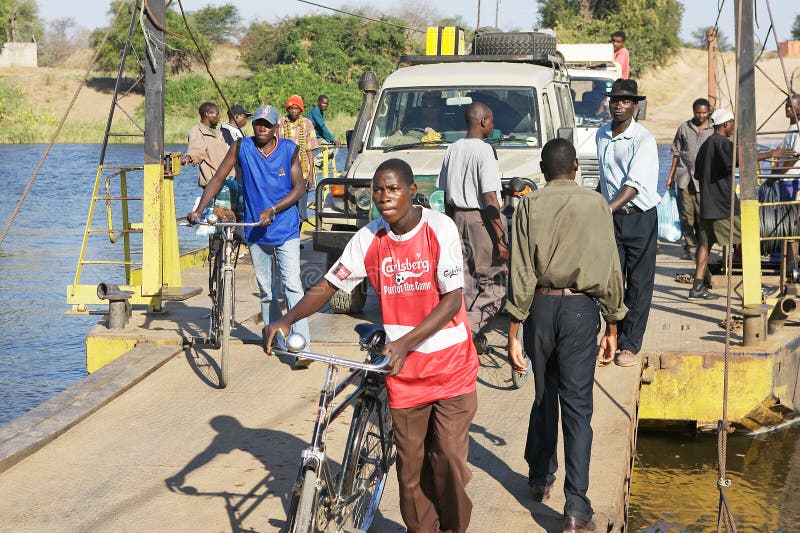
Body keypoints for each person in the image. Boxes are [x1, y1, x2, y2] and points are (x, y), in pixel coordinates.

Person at [263, 158, 479, 533]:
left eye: (393, 188)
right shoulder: (370, 239)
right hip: (402, 372)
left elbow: (453, 301)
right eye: (378, 190)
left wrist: (406, 341)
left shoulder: (438, 229)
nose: (384, 197)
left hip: (449, 367)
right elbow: (329, 285)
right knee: (409, 474)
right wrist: (287, 318)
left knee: (445, 458)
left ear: (412, 191)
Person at [505, 138, 627, 533]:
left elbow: (521, 270)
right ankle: (576, 508)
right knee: (577, 407)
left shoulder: (528, 204)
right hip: (580, 309)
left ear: (542, 169)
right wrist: (612, 324)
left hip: (539, 308)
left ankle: (540, 478)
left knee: (544, 394)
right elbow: (611, 267)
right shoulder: (596, 203)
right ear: (575, 165)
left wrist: (512, 328)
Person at [187, 105, 311, 367]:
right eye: (258, 123)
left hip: (285, 226)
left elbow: (299, 188)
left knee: (292, 286)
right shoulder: (241, 147)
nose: (262, 128)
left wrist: (274, 209)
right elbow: (218, 178)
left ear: (276, 127)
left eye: (267, 124)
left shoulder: (289, 149)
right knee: (266, 289)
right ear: (252, 125)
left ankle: (301, 345)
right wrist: (199, 209)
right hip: (255, 228)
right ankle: (275, 337)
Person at [688, 108, 785, 300]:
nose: (734, 127)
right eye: (732, 123)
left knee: (705, 245)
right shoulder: (723, 143)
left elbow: (698, 174)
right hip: (724, 207)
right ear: (725, 124)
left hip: (707, 205)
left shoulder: (706, 145)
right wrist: (772, 153)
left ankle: (697, 287)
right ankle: (754, 287)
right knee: (746, 242)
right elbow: (743, 159)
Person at [596, 78, 659, 367]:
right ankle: (611, 335)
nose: (618, 105)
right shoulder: (601, 135)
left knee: (639, 283)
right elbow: (605, 180)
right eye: (615, 100)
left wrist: (604, 210)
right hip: (611, 216)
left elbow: (632, 186)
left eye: (625, 101)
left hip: (639, 218)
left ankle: (630, 344)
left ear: (635, 105)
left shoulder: (643, 139)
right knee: (610, 281)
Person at [438, 101, 508, 353]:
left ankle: (459, 334)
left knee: (466, 283)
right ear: (483, 121)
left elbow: (445, 194)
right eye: (491, 120)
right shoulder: (484, 151)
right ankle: (468, 333)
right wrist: (500, 239)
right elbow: (490, 198)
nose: (493, 125)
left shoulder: (453, 149)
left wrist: (449, 227)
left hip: (457, 217)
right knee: (496, 284)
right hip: (481, 221)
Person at [665, 98, 714, 261]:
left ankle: (703, 246)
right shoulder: (684, 128)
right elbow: (676, 152)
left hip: (705, 180)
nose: (700, 116)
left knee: (702, 215)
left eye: (703, 112)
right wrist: (671, 176)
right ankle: (690, 247)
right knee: (686, 216)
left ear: (709, 112)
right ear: (693, 112)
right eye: (697, 112)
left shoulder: (714, 129)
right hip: (684, 178)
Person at [278, 95, 318, 222]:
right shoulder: (281, 122)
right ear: (288, 109)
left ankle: (298, 238)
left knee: (301, 209)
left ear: (301, 109)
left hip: (303, 172)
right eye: (291, 108)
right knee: (287, 206)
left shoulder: (307, 124)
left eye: (296, 108)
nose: (294, 111)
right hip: (285, 171)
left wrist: (311, 173)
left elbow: (310, 150)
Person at [181, 102, 235, 189]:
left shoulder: (218, 132)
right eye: (216, 114)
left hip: (229, 179)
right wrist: (189, 157)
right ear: (207, 114)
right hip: (213, 182)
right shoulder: (197, 131)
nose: (219, 117)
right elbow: (197, 150)